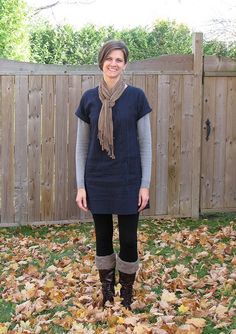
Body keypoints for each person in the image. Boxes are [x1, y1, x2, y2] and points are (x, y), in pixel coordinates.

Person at [75, 40, 152, 309]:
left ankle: (127, 293)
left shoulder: (137, 97)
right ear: (101, 62)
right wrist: (80, 186)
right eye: (109, 58)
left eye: (119, 59)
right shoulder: (88, 99)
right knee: (103, 236)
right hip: (97, 179)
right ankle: (107, 291)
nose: (113, 63)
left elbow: (146, 144)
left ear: (125, 64)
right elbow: (81, 146)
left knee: (129, 238)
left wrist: (145, 185)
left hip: (129, 179)